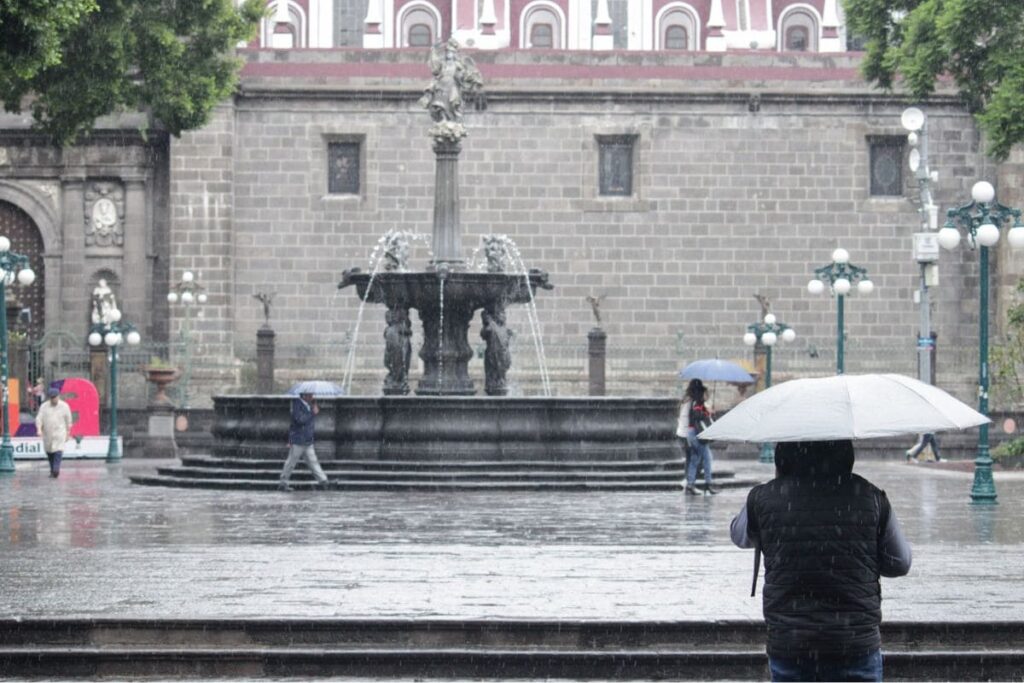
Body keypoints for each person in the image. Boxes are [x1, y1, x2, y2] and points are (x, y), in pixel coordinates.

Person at [730, 440, 912, 682]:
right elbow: (900, 562)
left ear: (782, 455)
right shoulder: (871, 497)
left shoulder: (764, 499)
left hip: (791, 643)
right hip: (854, 643)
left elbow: (740, 535)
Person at [279, 391, 331, 492]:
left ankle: (324, 481)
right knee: (291, 462)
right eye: (310, 395)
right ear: (304, 395)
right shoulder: (296, 404)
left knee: (313, 462)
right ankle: (283, 483)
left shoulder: (309, 405)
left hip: (307, 440)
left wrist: (312, 410)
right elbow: (300, 420)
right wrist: (312, 412)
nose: (312, 397)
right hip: (298, 440)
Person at [681, 379, 716, 495]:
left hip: (691, 433)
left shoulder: (693, 401)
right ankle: (708, 483)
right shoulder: (698, 403)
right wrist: (707, 413)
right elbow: (697, 416)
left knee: (695, 459)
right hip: (697, 434)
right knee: (707, 459)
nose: (707, 395)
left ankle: (690, 484)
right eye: (705, 393)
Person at [36, 387, 73, 478]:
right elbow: (39, 419)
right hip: (48, 433)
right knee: (49, 452)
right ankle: (52, 470)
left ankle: (56, 470)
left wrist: (68, 432)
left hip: (60, 433)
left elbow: (68, 420)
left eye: (55, 397)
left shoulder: (64, 406)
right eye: (52, 398)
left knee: (58, 451)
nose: (53, 399)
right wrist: (39, 429)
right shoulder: (44, 406)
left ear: (58, 396)